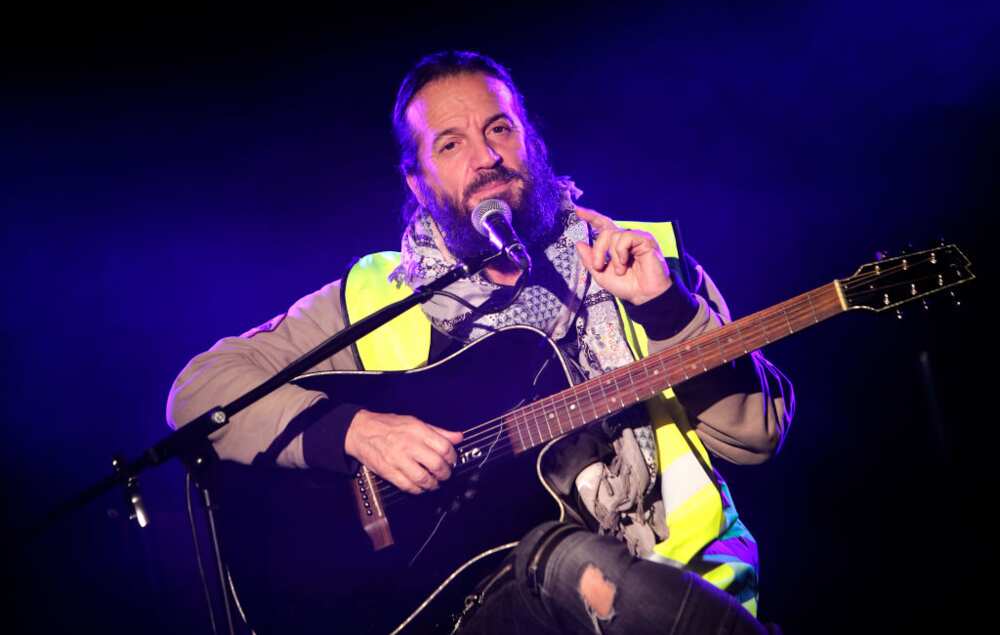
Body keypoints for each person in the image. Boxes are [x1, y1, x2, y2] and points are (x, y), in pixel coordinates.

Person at [167, 50, 794, 634]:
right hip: (483, 606)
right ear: (417, 182)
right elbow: (198, 392)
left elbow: (757, 437)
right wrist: (358, 432)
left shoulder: (645, 259)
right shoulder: (377, 296)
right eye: (451, 143)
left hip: (683, 587)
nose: (485, 156)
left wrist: (665, 308)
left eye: (500, 129)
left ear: (532, 143)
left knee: (575, 561)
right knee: (563, 558)